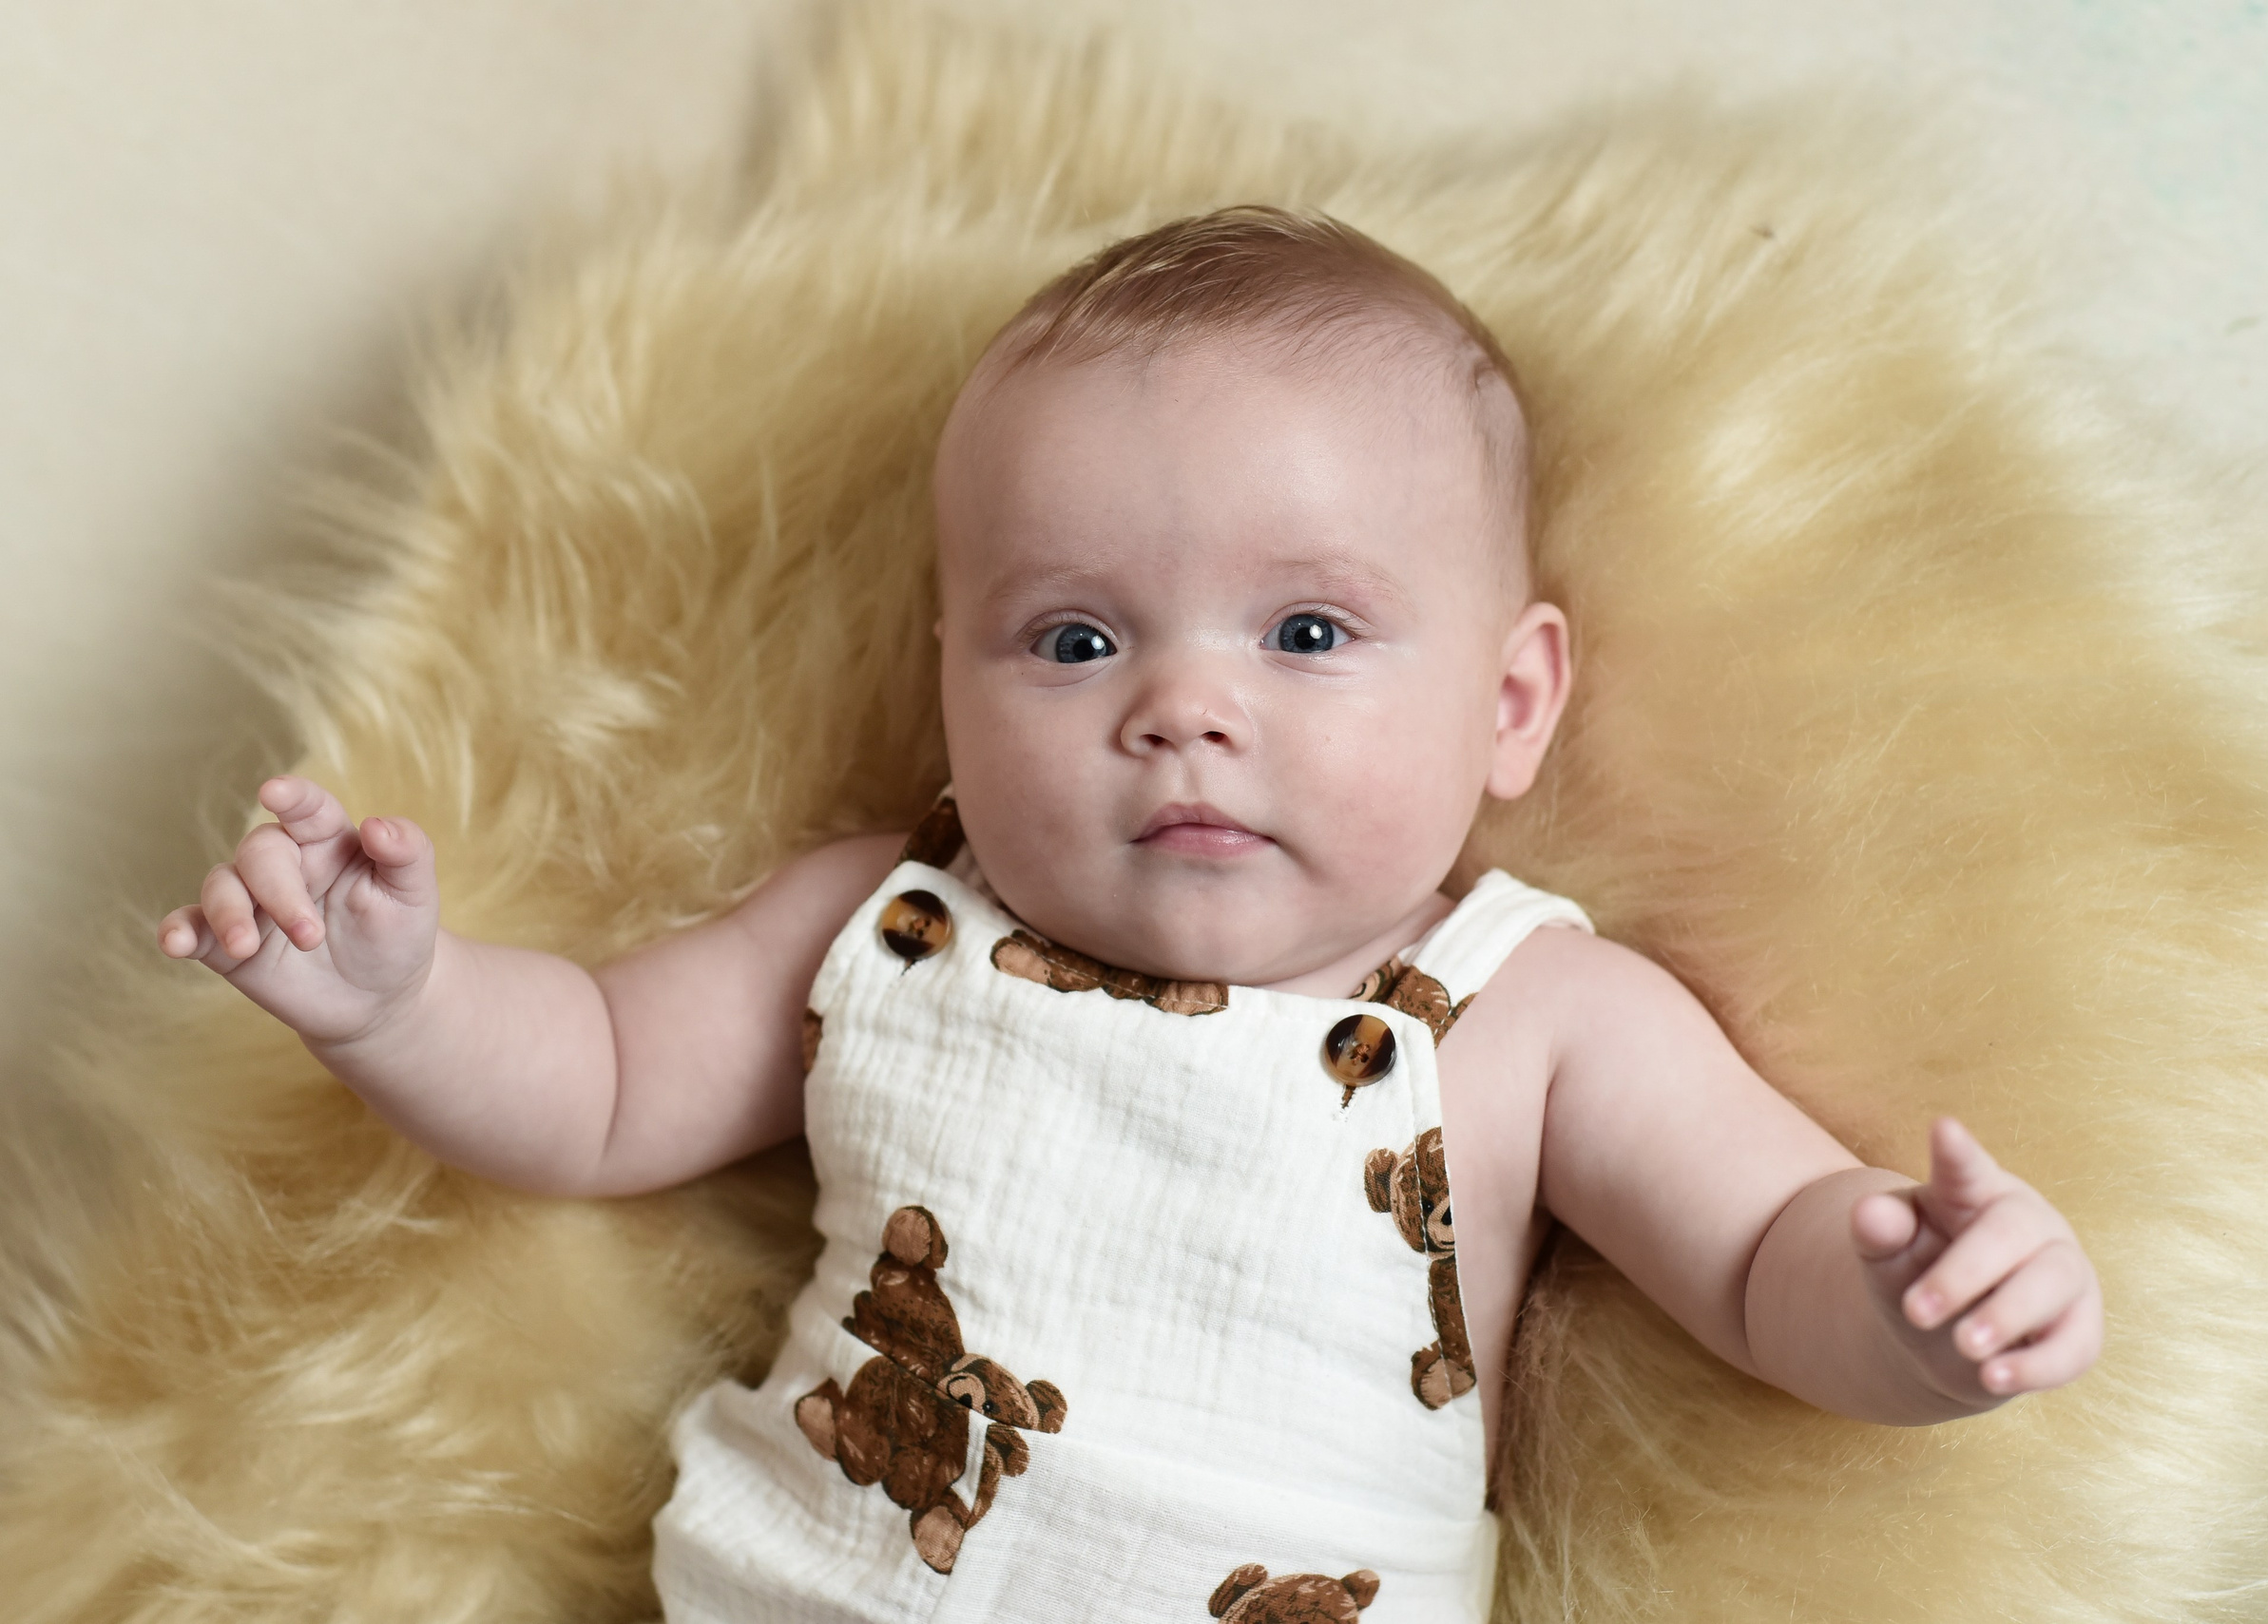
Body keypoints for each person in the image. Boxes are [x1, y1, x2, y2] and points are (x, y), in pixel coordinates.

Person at [157, 205, 2103, 1621]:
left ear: (1507, 705)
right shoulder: (881, 926)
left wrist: (1914, 1308)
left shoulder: (1523, 1010)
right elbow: (588, 1084)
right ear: (949, 682)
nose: (1181, 705)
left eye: (1308, 631)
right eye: (1072, 635)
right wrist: (392, 998)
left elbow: (1763, 1256)